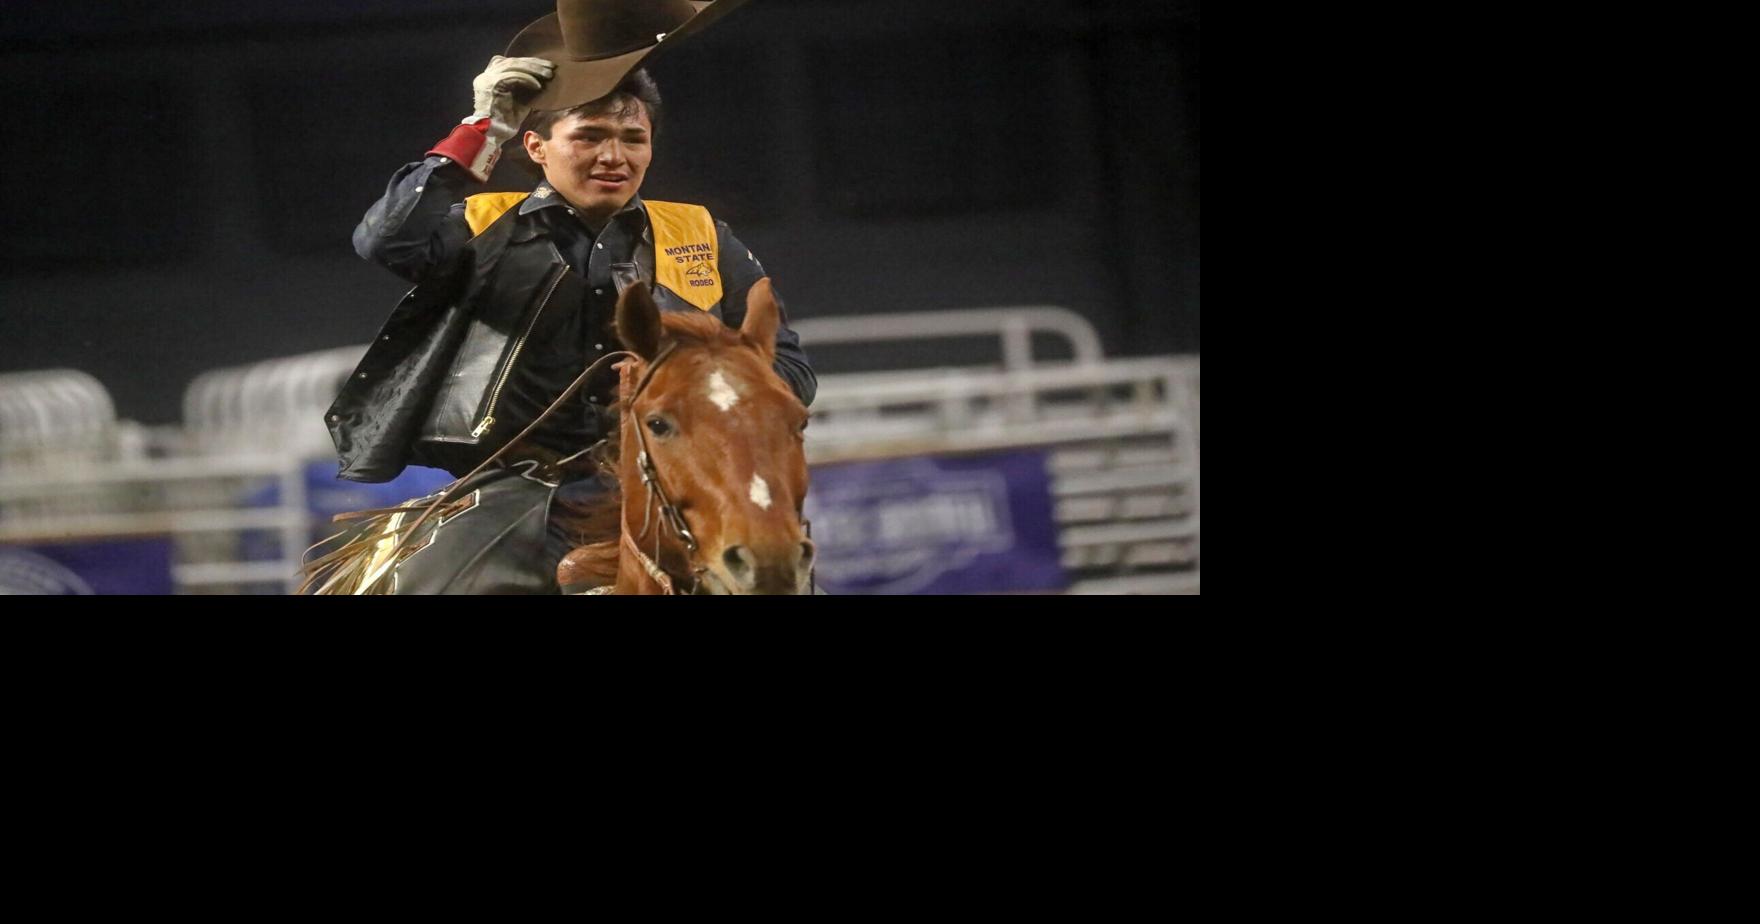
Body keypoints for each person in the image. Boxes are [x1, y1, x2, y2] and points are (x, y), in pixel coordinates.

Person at [318, 0, 813, 593]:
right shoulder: (481, 225)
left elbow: (789, 372)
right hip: (513, 491)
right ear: (534, 147)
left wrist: (704, 380)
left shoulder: (702, 235)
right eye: (591, 136)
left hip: (677, 489)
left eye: (634, 138)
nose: (615, 156)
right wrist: (480, 129)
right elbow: (386, 238)